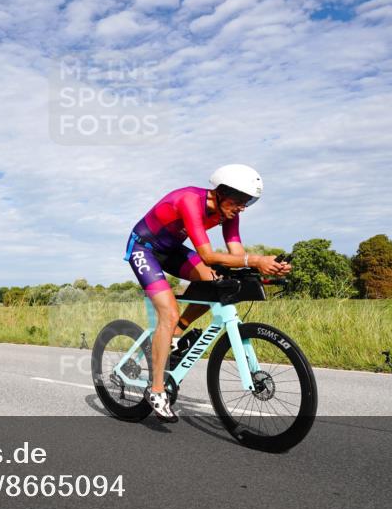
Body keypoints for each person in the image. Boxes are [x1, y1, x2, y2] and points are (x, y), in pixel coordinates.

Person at [124, 164, 291, 422]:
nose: (242, 207)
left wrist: (264, 270)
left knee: (217, 280)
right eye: (240, 200)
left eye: (248, 202)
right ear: (221, 192)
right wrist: (256, 259)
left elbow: (236, 257)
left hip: (171, 250)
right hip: (143, 249)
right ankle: (156, 390)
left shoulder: (230, 214)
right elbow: (208, 255)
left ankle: (175, 335)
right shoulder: (190, 200)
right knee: (168, 313)